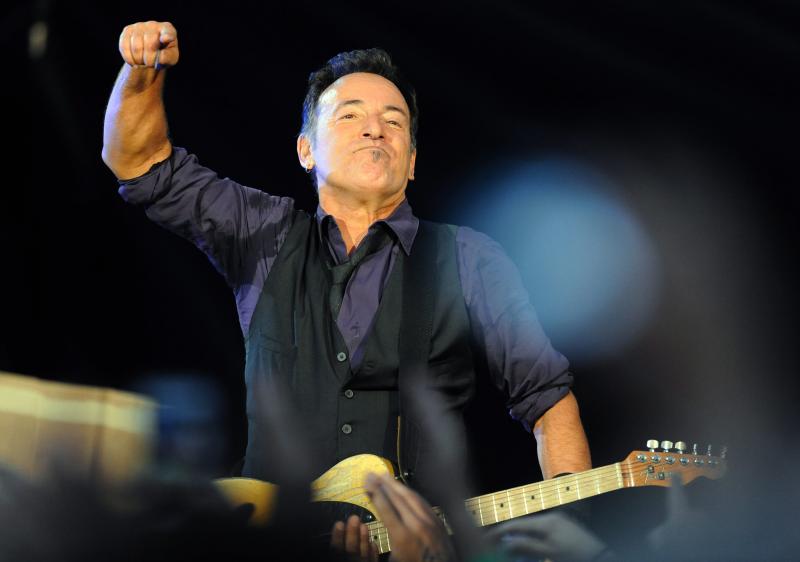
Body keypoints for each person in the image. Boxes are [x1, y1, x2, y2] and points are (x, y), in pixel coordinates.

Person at [102, 20, 592, 560]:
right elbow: (140, 164)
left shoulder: (469, 258)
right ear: (306, 150)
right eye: (350, 115)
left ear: (411, 162)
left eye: (394, 121)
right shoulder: (261, 232)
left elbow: (548, 400)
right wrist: (141, 71)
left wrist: (568, 534)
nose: (375, 129)